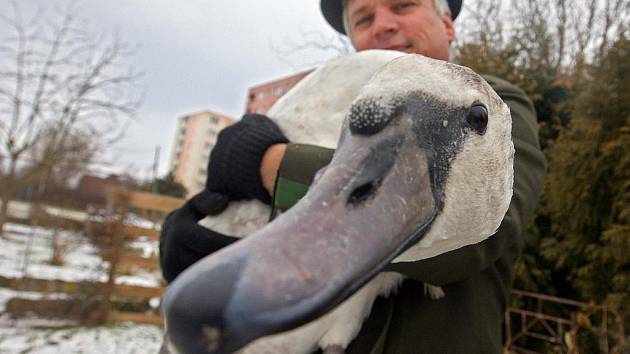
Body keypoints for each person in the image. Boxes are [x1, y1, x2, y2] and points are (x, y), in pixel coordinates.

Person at [159, 0, 547, 352]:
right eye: (364, 19)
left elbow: (486, 231)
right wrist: (212, 229)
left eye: (403, 5)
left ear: (447, 24)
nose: (383, 26)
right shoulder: (324, 106)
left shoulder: (493, 106)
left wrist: (268, 165)